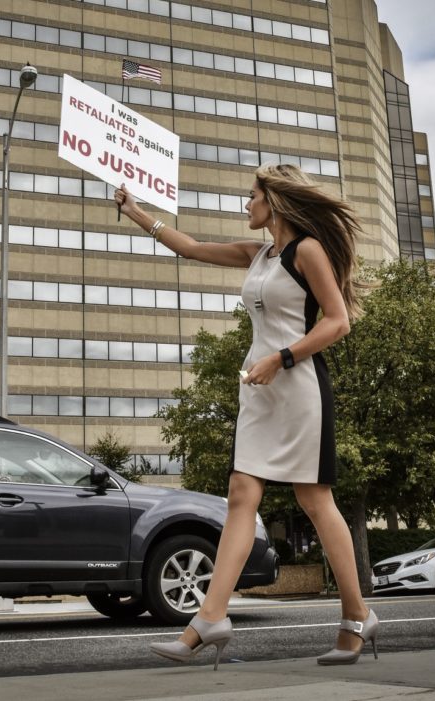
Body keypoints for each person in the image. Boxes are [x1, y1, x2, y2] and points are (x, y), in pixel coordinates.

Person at [113, 163, 378, 669]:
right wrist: (135, 211)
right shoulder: (257, 255)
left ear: (274, 201)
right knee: (241, 492)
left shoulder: (307, 251)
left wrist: (282, 359)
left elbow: (338, 321)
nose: (246, 204)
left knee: (314, 499)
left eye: (252, 196)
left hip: (299, 386)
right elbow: (190, 247)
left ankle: (356, 614)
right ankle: (210, 618)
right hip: (257, 390)